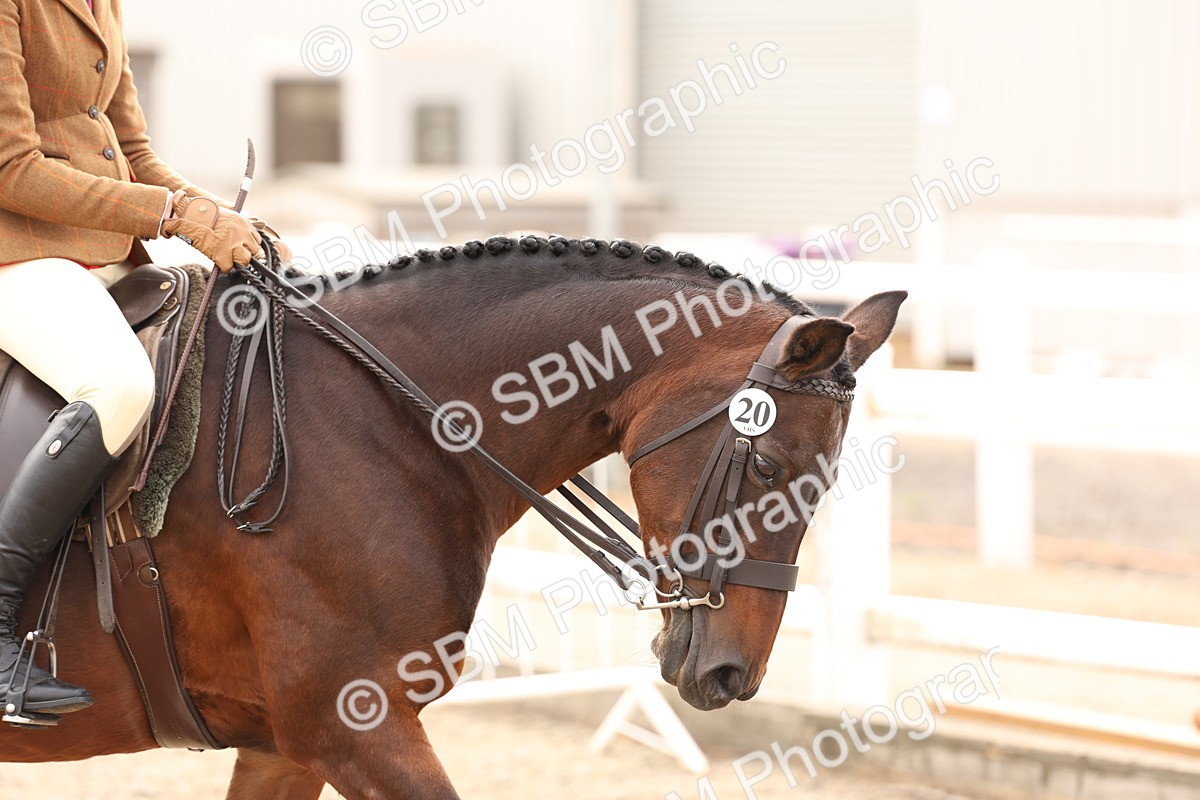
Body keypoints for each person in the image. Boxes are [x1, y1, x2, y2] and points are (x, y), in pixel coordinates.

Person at [0, 0, 270, 719]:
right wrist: (175, 217)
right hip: (16, 253)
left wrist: (216, 215)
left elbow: (134, 155)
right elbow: (14, 170)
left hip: (101, 254)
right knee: (117, 383)